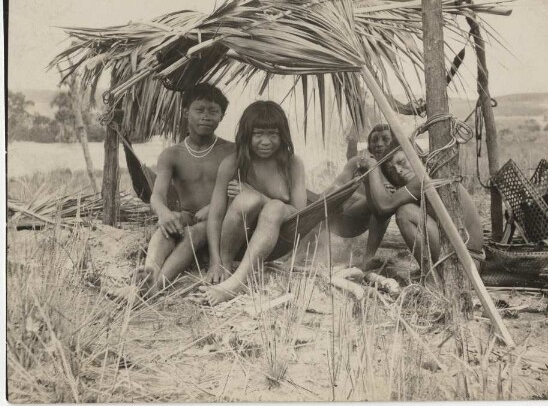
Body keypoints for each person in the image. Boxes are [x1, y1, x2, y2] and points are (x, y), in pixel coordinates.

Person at [110, 83, 234, 301]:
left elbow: (242, 190)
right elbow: (156, 196)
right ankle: (148, 273)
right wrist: (164, 213)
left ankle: (156, 286)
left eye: (213, 111)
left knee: (195, 232)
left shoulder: (231, 151)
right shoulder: (172, 155)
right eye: (200, 110)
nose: (206, 116)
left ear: (222, 116)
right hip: (187, 218)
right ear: (186, 112)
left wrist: (213, 208)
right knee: (165, 229)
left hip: (219, 223)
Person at [200, 100, 307, 305]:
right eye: (258, 134)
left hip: (275, 242)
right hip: (235, 243)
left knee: (272, 205)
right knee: (246, 200)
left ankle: (236, 283)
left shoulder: (292, 164)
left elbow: (300, 215)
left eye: (273, 134)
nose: (265, 141)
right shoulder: (232, 164)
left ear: (282, 135)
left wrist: (259, 196)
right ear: (247, 136)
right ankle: (225, 266)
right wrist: (215, 261)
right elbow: (215, 215)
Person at [361, 140, 484, 278]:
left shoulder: (424, 177)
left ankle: (431, 280)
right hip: (461, 258)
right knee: (403, 209)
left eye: (401, 162)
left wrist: (372, 166)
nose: (399, 170)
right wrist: (367, 182)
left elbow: (384, 206)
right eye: (392, 170)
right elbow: (380, 214)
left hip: (465, 264)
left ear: (415, 156)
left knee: (405, 212)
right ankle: (431, 274)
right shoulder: (416, 184)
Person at [323, 124, 397, 264]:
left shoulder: (397, 171)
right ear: (369, 144)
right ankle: (299, 253)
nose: (379, 144)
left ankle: (367, 259)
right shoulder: (357, 163)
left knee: (384, 202)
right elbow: (335, 188)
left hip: (359, 223)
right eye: (374, 140)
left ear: (394, 142)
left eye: (385, 139)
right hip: (335, 216)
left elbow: (387, 205)